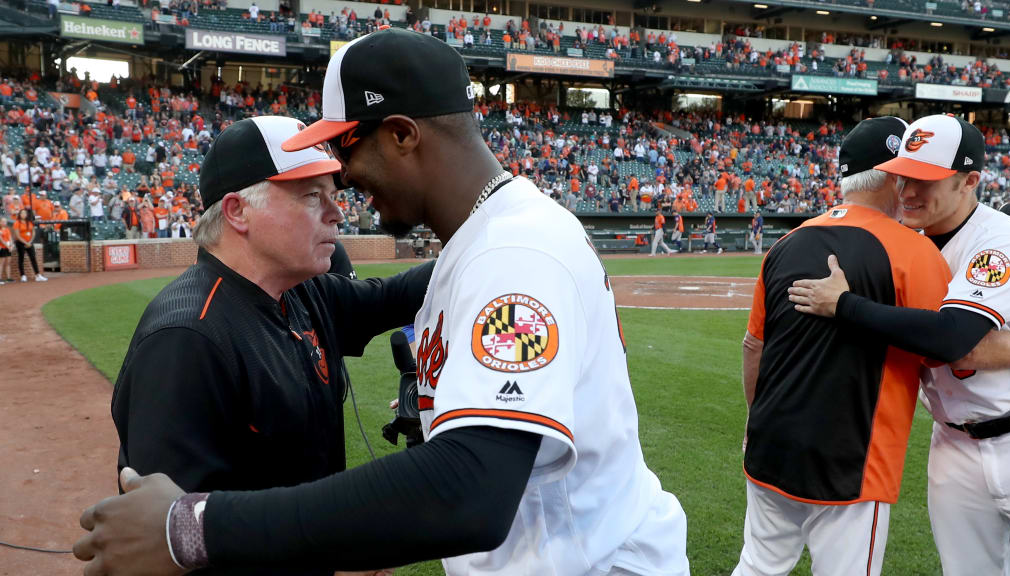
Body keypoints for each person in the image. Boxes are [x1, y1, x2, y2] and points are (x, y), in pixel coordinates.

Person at [75, 28, 690, 576]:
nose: (342, 180)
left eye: (344, 148)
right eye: (311, 188)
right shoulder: (486, 244)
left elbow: (469, 490)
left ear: (400, 135)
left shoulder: (514, 252)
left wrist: (190, 529)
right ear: (237, 211)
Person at [81, 116, 433, 576]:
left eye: (333, 195)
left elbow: (397, 295)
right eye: (311, 196)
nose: (338, 213)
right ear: (237, 211)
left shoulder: (303, 290)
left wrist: (496, 239)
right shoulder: (186, 341)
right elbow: (171, 542)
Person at [788, 115, 1010, 576]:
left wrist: (845, 305)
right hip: (953, 443)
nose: (909, 191)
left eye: (926, 180)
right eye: (904, 174)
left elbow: (955, 340)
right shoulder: (904, 243)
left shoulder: (1000, 240)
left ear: (969, 181)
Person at [734, 117, 952, 576]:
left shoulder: (786, 244)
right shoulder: (913, 251)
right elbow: (947, 349)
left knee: (757, 566)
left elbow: (754, 346)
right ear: (895, 178)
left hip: (770, 442)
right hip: (851, 458)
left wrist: (756, 419)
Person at [13, 208, 47, 283]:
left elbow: (33, 232)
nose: (23, 214)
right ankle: (23, 275)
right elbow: (17, 235)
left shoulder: (29, 222)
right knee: (21, 258)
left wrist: (30, 242)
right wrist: (25, 242)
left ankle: (38, 275)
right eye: (22, 213)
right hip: (20, 243)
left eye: (25, 213)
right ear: (19, 214)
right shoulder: (17, 223)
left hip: (29, 242)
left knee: (33, 258)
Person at [0, 216, 12, 284]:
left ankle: (8, 278)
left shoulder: (7, 229)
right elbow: (1, 240)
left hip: (8, 248)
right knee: (1, 263)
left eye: (5, 221)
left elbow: (10, 238)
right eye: (3, 221)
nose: (4, 223)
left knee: (8, 263)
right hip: (2, 248)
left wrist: (11, 245)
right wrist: (8, 246)